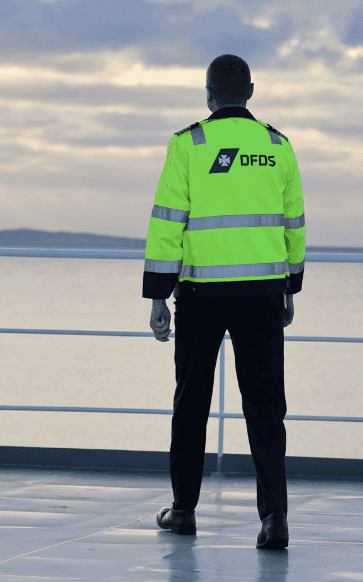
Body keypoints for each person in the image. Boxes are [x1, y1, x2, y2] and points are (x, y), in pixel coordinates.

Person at [141, 54, 305, 549]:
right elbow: (293, 222)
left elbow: (167, 223)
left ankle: (184, 511)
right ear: (250, 91)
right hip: (262, 293)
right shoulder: (277, 146)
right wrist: (290, 286)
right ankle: (274, 518)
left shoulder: (188, 145)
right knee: (265, 407)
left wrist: (158, 296)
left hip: (200, 295)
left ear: (208, 94)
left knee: (191, 402)